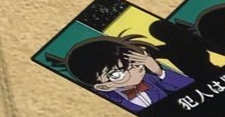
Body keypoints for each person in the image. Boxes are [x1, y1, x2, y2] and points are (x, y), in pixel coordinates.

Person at [60, 35, 193, 112]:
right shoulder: (105, 103)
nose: (135, 70)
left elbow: (190, 86)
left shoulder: (151, 78)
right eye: (117, 74)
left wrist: (159, 72)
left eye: (135, 63)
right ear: (103, 86)